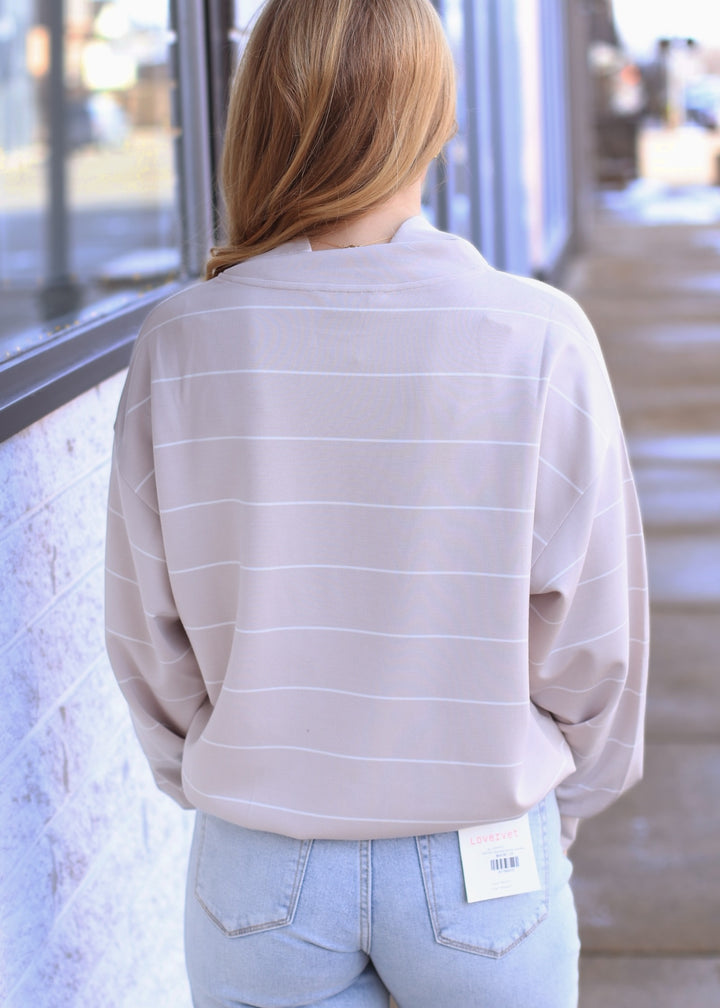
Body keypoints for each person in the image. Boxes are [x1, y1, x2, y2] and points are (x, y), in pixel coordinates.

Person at [104, 1, 648, 1005]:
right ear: (437, 120)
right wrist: (552, 800)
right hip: (481, 857)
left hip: (259, 865)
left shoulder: (182, 342)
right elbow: (594, 647)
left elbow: (149, 641)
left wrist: (243, 781)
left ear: (257, 115)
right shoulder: (537, 337)